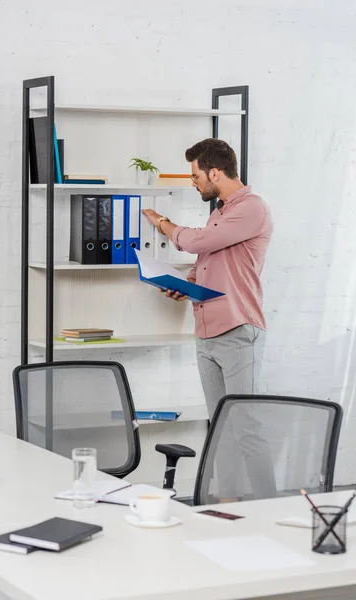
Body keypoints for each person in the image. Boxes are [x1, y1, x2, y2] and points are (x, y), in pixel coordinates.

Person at [142, 138, 277, 501]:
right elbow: (214, 261)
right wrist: (185, 285)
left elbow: (197, 242)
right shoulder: (220, 211)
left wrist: (164, 224)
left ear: (215, 172)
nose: (194, 182)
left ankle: (273, 507)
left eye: (196, 175)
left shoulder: (251, 209)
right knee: (222, 425)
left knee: (245, 425)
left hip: (237, 330)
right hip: (207, 330)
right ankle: (227, 502)